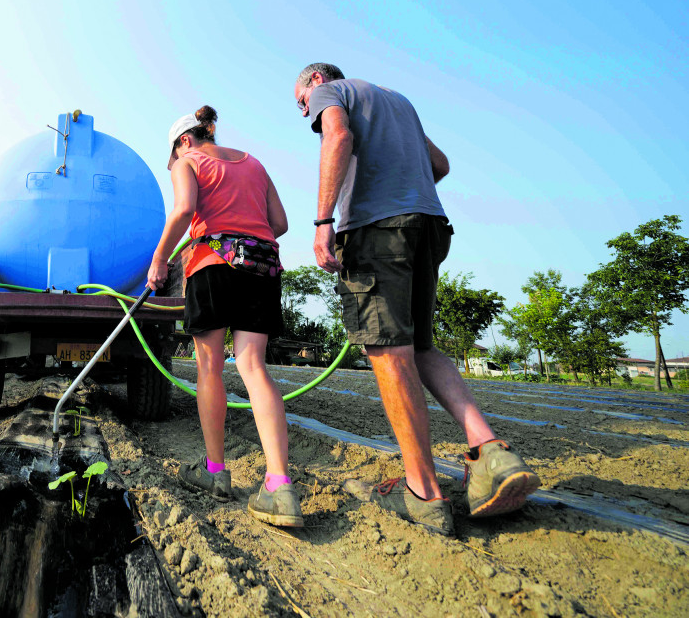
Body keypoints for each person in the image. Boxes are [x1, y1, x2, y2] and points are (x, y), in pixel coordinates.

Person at [294, 63, 539, 536]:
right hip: (427, 225)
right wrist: (404, 190)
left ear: (316, 81)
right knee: (422, 348)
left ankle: (423, 492)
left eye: (300, 102)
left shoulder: (333, 94)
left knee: (389, 353)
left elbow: (338, 139)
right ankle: (492, 452)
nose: (304, 111)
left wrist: (323, 221)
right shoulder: (397, 100)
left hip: (378, 231)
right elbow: (440, 165)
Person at [147, 106, 302, 528]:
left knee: (210, 366)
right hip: (262, 266)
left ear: (184, 140)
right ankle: (278, 484)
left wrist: (160, 259)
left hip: (211, 263)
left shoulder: (189, 162)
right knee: (253, 367)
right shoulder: (255, 164)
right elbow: (280, 223)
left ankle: (215, 472)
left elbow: (183, 210)